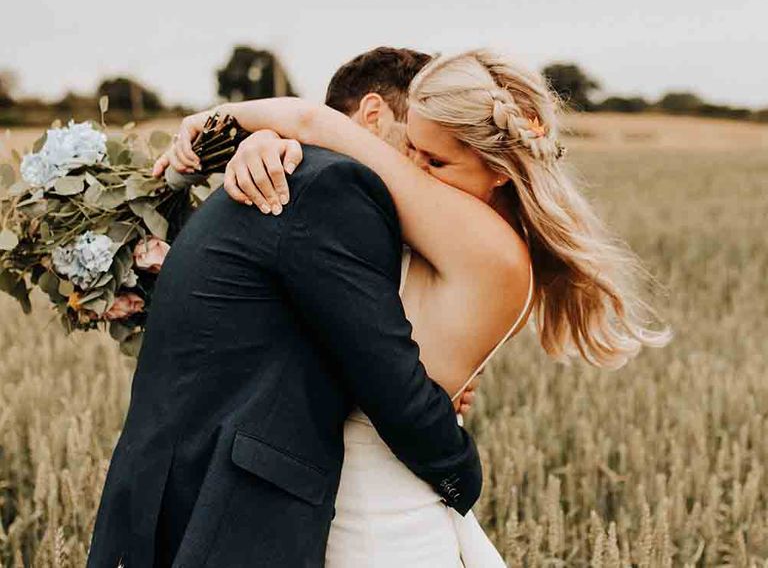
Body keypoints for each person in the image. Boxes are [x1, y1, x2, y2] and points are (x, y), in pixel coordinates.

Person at [160, 47, 671, 565]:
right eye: (412, 149)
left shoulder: (480, 245)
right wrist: (269, 144)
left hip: (378, 524)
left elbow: (316, 122)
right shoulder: (469, 239)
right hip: (366, 505)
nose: (414, 169)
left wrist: (214, 123)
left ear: (498, 169)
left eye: (436, 161)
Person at [87, 48, 486, 568]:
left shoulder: (291, 169)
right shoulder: (336, 188)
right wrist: (462, 474)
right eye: (416, 146)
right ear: (372, 115)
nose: (418, 172)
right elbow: (390, 385)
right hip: (225, 511)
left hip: (168, 489)